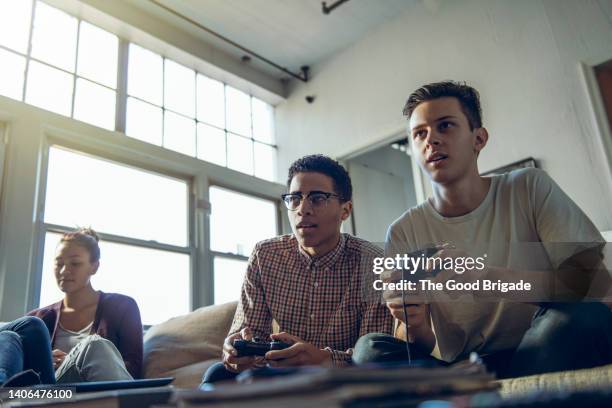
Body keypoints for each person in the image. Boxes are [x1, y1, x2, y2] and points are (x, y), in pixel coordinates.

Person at [353, 81, 612, 378]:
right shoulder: (402, 231)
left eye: (445, 126)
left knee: (582, 316)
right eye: (419, 133)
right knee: (369, 350)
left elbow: (592, 286)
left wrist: (486, 278)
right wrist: (416, 321)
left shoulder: (528, 186)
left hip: (544, 344)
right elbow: (417, 345)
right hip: (467, 367)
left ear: (478, 138)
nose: (431, 140)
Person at [202, 155, 393, 384]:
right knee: (217, 374)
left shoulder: (373, 262)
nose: (303, 209)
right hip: (280, 371)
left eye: (318, 198)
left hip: (341, 377)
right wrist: (235, 351)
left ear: (345, 210)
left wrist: (323, 358)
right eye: (295, 198)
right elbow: (248, 331)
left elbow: (372, 356)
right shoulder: (265, 255)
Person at [27, 228, 143, 382]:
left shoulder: (123, 307)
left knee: (94, 345)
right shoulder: (35, 320)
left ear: (94, 267)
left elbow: (133, 367)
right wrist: (45, 365)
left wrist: (81, 362)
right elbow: (21, 377)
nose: (64, 271)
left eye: (75, 263)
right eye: (59, 263)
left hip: (99, 390)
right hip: (53, 395)